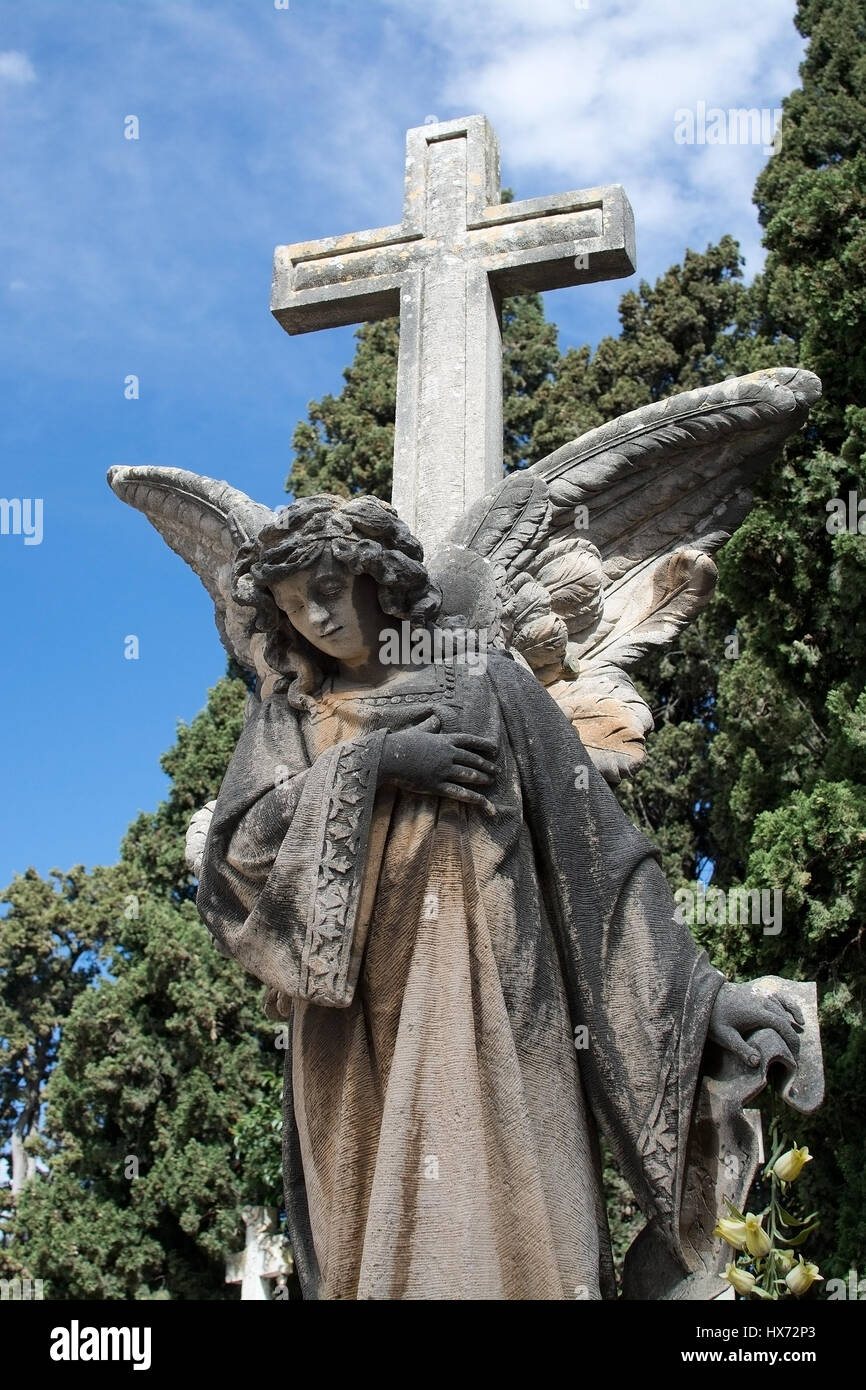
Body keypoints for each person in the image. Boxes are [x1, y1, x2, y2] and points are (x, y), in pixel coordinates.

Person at [196, 494, 801, 1301]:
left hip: (501, 1008)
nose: (316, 615)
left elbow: (598, 858)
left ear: (381, 578)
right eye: (293, 602)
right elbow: (237, 864)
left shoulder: (490, 685)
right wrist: (377, 764)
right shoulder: (291, 715)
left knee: (516, 1224)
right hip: (350, 1038)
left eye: (332, 585)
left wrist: (699, 998)